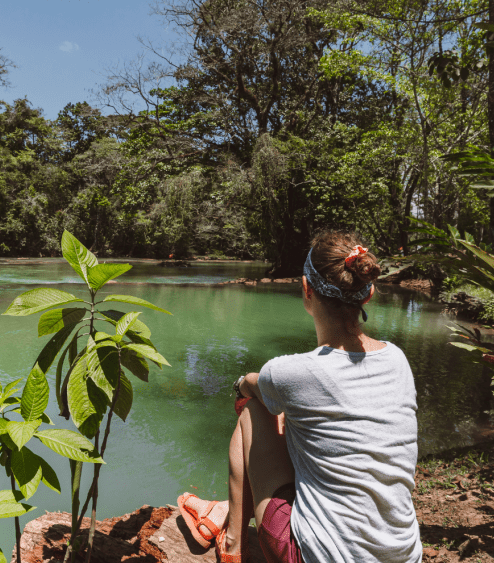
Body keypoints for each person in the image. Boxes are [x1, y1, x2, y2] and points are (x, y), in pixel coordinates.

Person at [177, 230, 422, 563]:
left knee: (253, 411)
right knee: (294, 422)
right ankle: (224, 513)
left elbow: (250, 386)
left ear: (306, 289)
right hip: (404, 555)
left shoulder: (293, 372)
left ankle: (232, 542)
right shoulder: (398, 360)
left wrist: (244, 385)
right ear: (368, 294)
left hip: (316, 557)